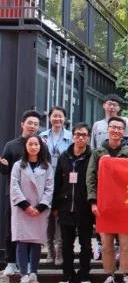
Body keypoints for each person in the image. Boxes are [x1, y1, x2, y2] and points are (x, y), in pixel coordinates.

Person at [87, 116, 128, 283]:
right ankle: (109, 274)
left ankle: (126, 274)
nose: (116, 130)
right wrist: (93, 202)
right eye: (113, 127)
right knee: (106, 242)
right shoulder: (97, 153)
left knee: (126, 242)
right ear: (107, 130)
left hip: (125, 204)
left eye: (119, 128)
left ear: (124, 131)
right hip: (104, 204)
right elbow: (90, 178)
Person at [1, 110, 46, 277]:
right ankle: (11, 262)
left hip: (36, 195)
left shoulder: (42, 145)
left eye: (36, 124)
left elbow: (46, 166)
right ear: (22, 124)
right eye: (30, 123)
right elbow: (5, 170)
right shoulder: (11, 145)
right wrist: (3, 166)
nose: (33, 126)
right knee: (13, 228)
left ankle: (27, 264)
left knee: (33, 230)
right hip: (15, 195)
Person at [9, 136, 54, 283]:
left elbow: (50, 188)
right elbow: (14, 186)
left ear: (40, 147)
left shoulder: (47, 167)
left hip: (39, 210)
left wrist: (40, 207)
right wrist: (25, 205)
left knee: (36, 241)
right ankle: (24, 275)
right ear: (26, 146)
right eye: (30, 144)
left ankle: (33, 272)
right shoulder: (18, 165)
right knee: (22, 241)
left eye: (36, 144)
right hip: (22, 209)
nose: (33, 147)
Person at [53, 123, 93, 283]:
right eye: (77, 134)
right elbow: (57, 182)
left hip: (85, 207)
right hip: (65, 206)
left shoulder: (93, 156)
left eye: (84, 135)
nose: (80, 138)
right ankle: (67, 275)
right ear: (72, 136)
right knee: (66, 244)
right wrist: (55, 206)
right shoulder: (64, 156)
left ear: (88, 137)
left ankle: (84, 274)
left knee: (85, 243)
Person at [40, 106, 72, 266]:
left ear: (65, 119)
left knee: (60, 217)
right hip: (45, 182)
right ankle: (50, 251)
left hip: (62, 182)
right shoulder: (42, 137)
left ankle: (60, 252)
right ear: (49, 118)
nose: (57, 119)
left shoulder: (71, 137)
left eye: (60, 116)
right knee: (47, 218)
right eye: (54, 116)